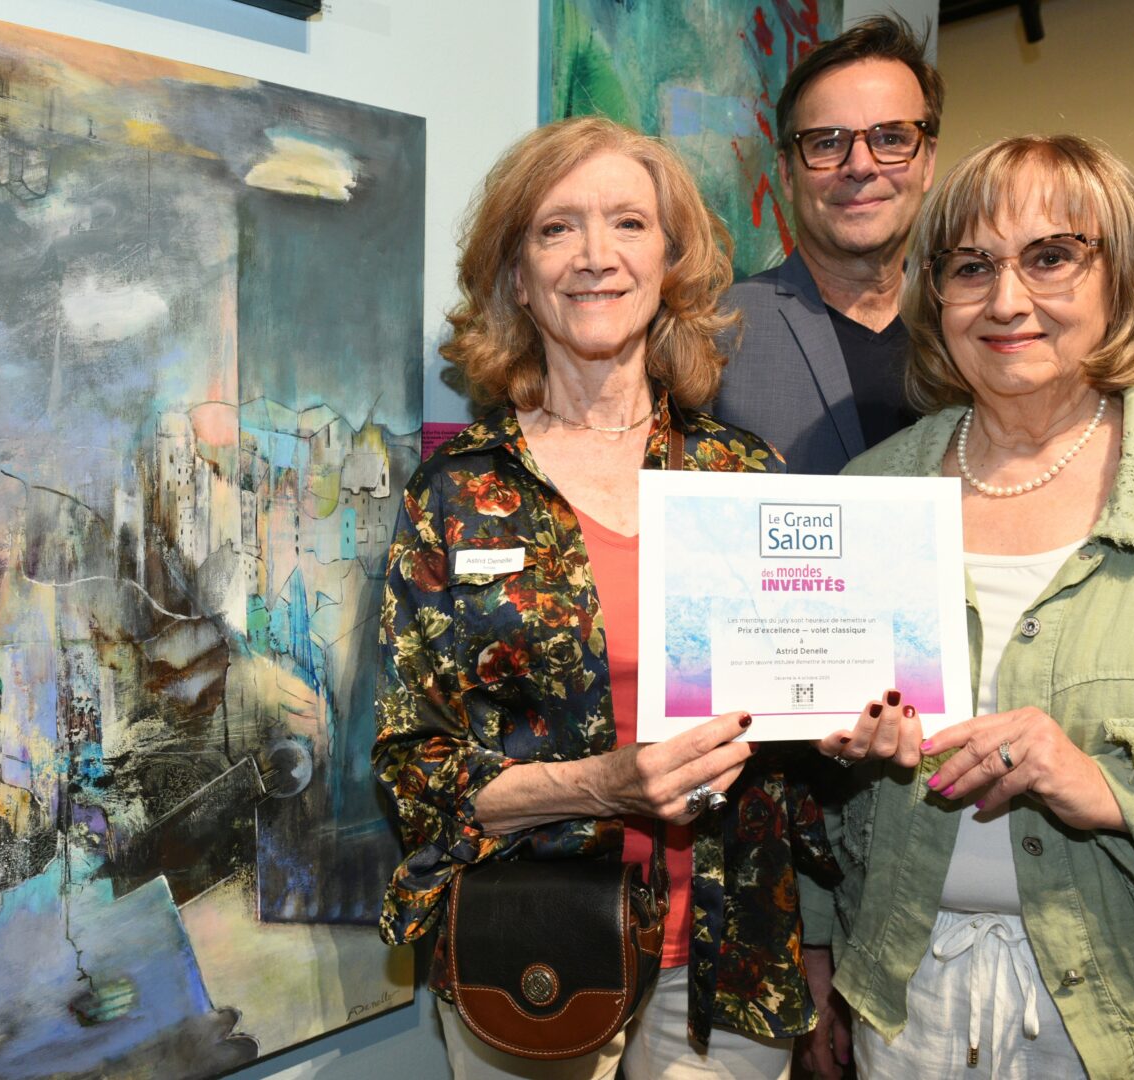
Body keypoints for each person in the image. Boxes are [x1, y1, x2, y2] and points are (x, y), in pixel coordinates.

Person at [810, 134, 1134, 1078]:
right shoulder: (873, 490)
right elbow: (814, 782)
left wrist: (1125, 793)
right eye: (972, 267)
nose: (1007, 301)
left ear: (1123, 278)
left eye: (1051, 258)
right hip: (913, 1011)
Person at [373, 116, 837, 1079]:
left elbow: (800, 709)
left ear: (670, 259)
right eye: (556, 228)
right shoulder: (458, 493)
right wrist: (602, 786)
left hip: (727, 950)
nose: (595, 256)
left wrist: (851, 715)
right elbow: (413, 769)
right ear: (515, 272)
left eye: (628, 223)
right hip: (532, 949)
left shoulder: (744, 479)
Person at [714, 15, 943, 476]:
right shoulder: (717, 332)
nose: (860, 165)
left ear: (928, 161)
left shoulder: (972, 326)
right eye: (826, 143)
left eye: (892, 138)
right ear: (786, 173)